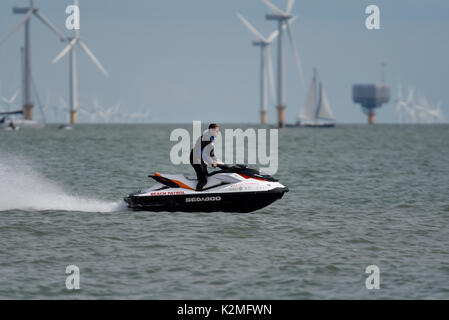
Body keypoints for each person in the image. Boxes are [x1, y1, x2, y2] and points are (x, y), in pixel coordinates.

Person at [189, 123, 222, 191]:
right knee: (203, 180)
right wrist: (212, 163)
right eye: (216, 131)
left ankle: (202, 191)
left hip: (200, 159)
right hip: (195, 159)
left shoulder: (210, 138)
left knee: (207, 176)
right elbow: (205, 154)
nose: (218, 133)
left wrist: (221, 163)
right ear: (211, 131)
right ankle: (196, 195)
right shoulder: (206, 138)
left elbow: (211, 154)